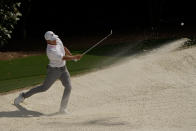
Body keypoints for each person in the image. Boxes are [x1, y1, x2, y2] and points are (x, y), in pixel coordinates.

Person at [14, 31, 82, 113]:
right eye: (52, 39)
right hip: (54, 71)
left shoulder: (56, 39)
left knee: (68, 87)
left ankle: (62, 108)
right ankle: (23, 95)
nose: (55, 40)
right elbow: (63, 57)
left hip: (63, 69)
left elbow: (63, 47)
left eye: (54, 38)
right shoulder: (50, 51)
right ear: (48, 41)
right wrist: (74, 57)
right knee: (44, 88)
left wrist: (72, 57)